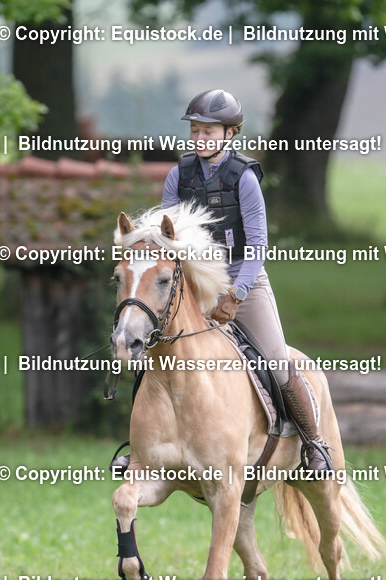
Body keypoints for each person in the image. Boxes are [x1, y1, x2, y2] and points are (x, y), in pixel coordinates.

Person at [112, 89, 334, 473]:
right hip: (195, 284)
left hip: (244, 282)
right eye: (195, 131)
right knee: (152, 354)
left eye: (208, 133)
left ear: (231, 134)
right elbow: (167, 240)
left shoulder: (244, 179)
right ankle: (142, 447)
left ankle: (314, 445)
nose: (200, 139)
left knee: (278, 363)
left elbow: (258, 245)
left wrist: (237, 293)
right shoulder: (178, 174)